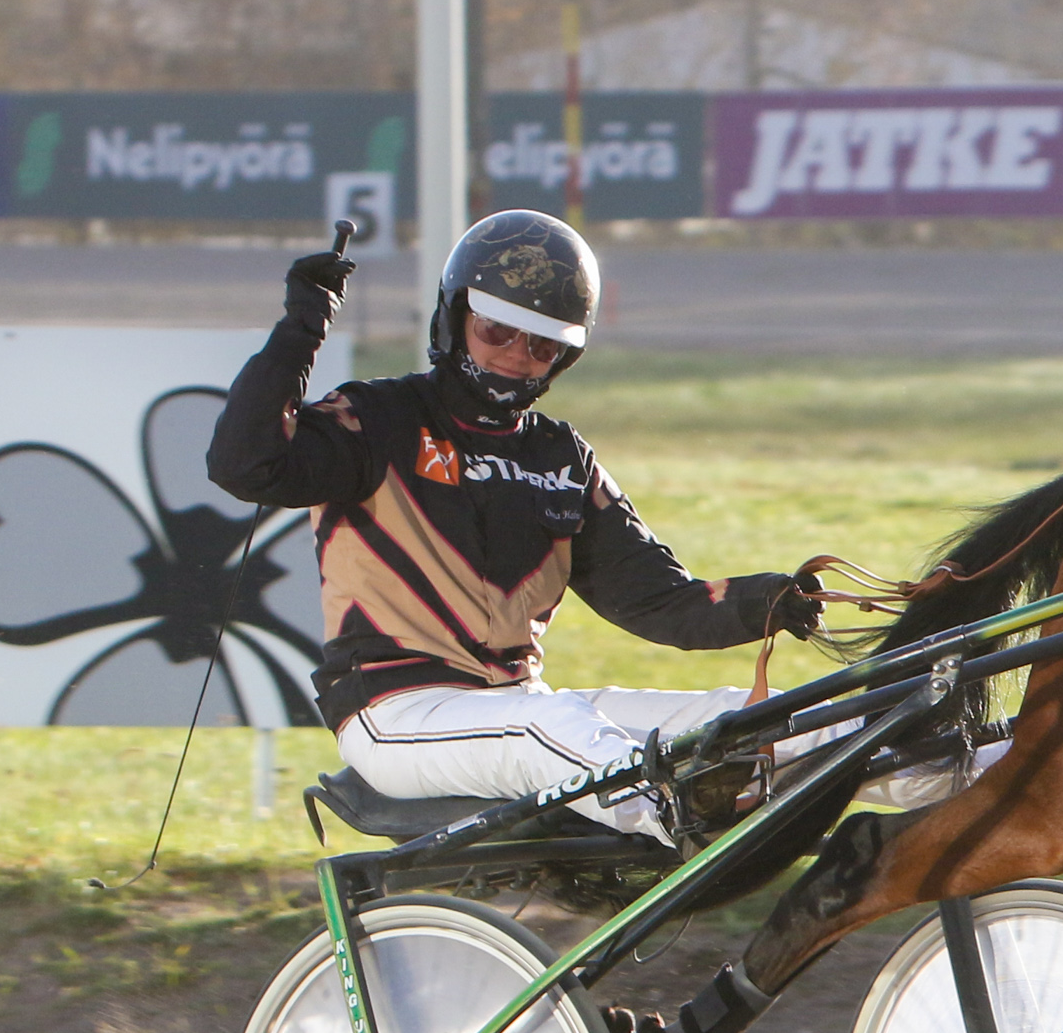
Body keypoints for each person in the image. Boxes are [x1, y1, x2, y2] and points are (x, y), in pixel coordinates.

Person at [207, 210, 826, 841]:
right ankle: (689, 823)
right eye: (497, 330)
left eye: (542, 345)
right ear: (455, 317)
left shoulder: (564, 459)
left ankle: (925, 797)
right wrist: (299, 332)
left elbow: (660, 603)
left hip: (518, 708)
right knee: (552, 724)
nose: (516, 357)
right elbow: (243, 465)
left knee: (755, 714)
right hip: (395, 714)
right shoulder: (376, 418)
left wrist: (763, 602)